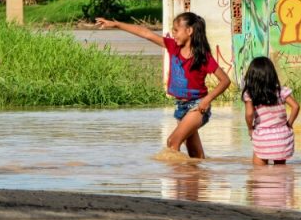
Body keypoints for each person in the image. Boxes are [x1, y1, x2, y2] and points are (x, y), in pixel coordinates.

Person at [95, 12, 230, 158]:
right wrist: (116, 24)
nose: (173, 34)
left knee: (172, 142)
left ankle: (175, 178)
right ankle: (193, 179)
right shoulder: (173, 47)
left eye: (176, 30)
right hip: (181, 107)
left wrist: (207, 100)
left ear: (189, 31)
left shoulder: (203, 57)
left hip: (197, 107)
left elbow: (225, 81)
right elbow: (146, 33)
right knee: (195, 155)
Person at [242, 56, 299, 166]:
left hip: (263, 138)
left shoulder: (250, 94)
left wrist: (250, 128)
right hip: (282, 137)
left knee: (258, 174)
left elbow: (249, 114)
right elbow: (296, 106)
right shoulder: (280, 91)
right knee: (280, 172)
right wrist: (289, 124)